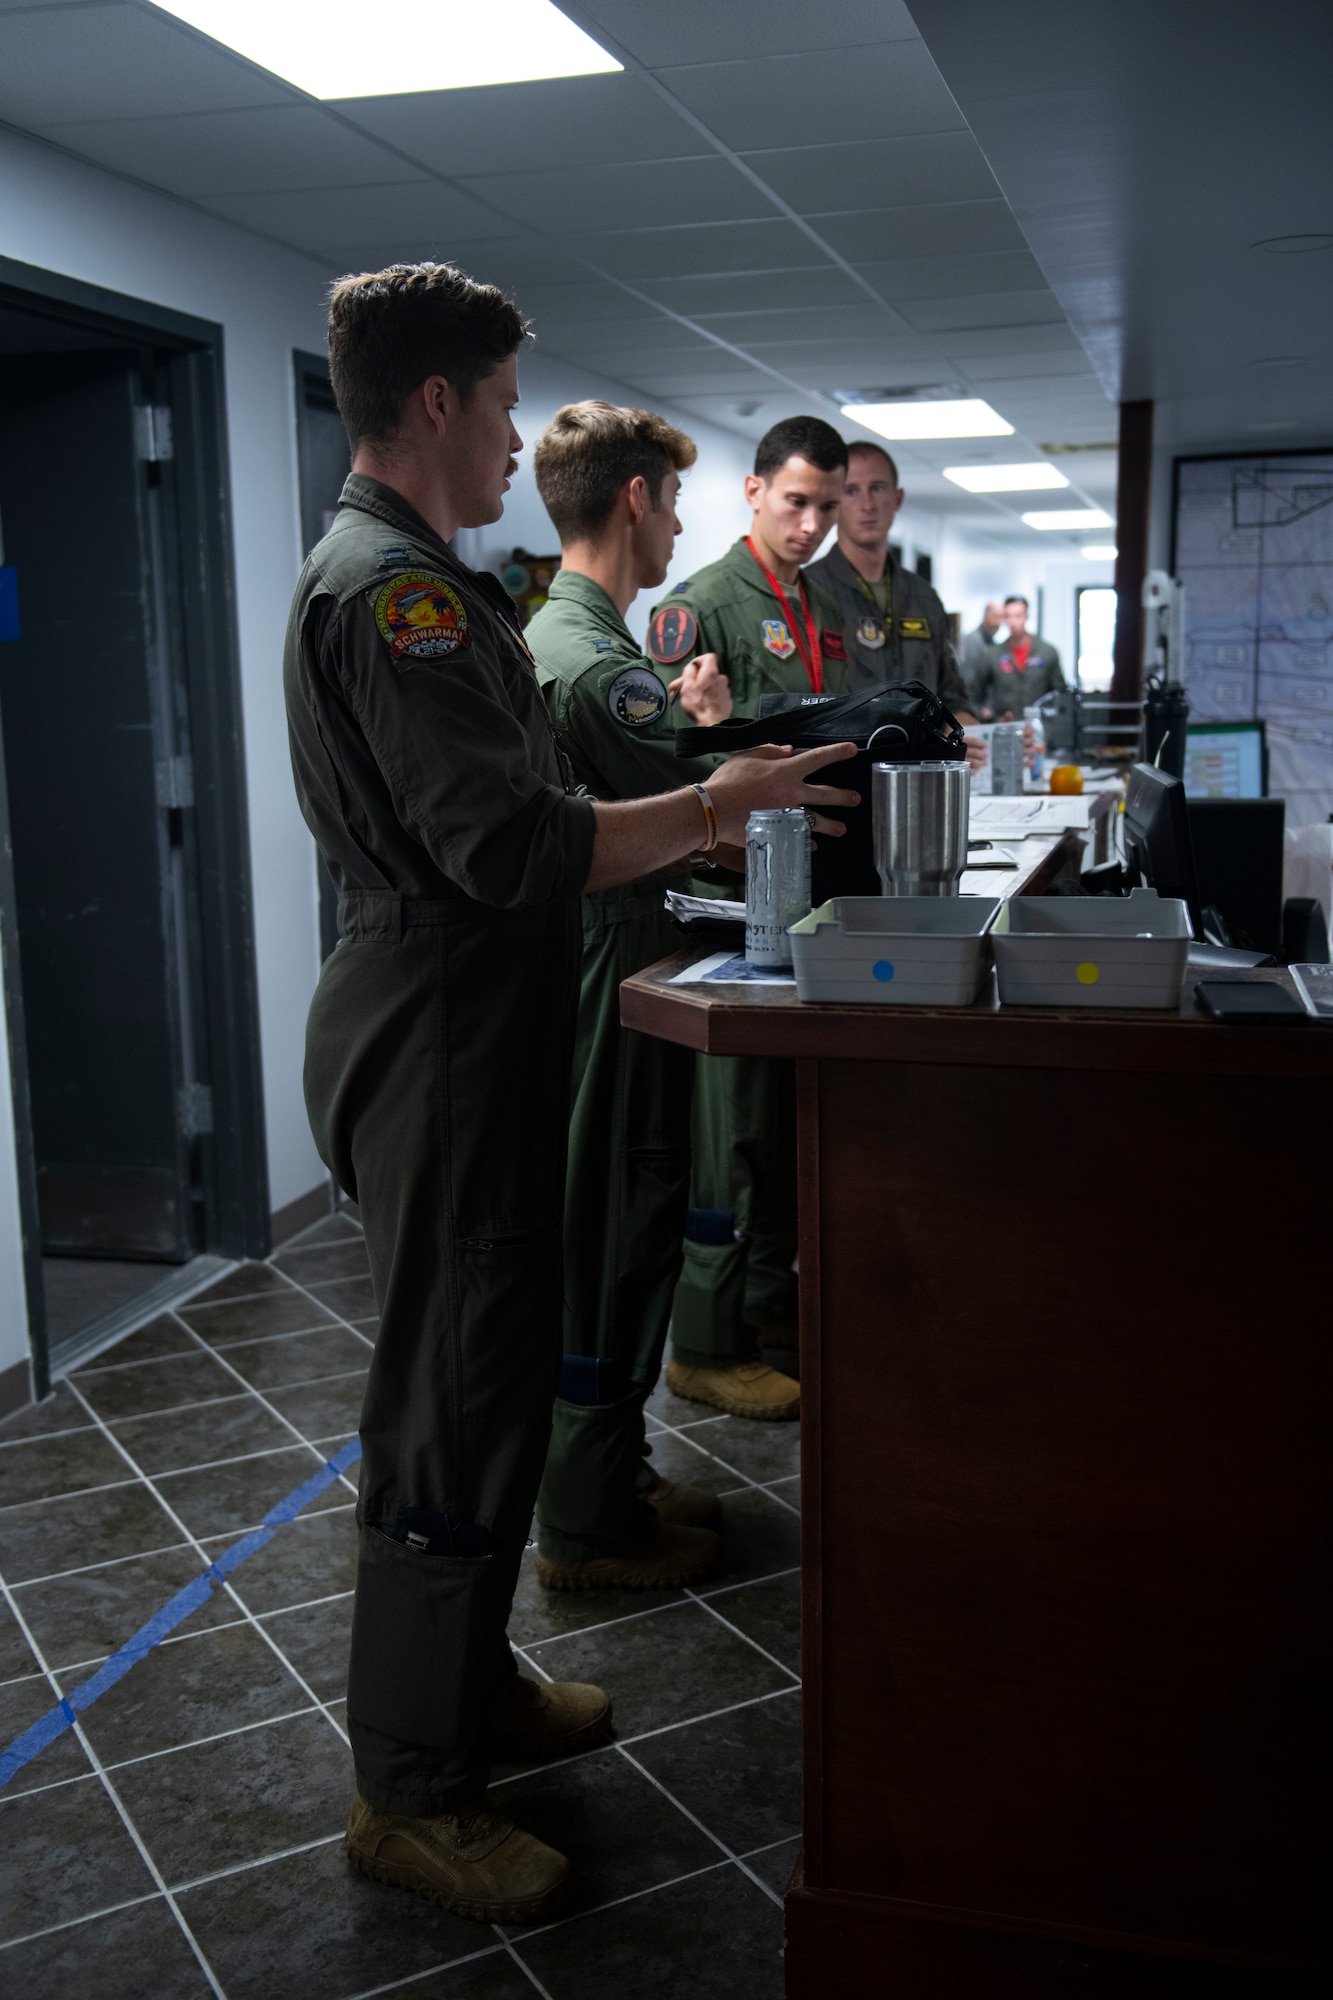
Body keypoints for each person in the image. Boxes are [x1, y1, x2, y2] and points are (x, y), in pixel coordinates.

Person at [283, 263, 858, 1925]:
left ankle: (465, 1696)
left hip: (476, 1020)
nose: (519, 433)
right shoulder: (383, 593)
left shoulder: (430, 582)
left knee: (498, 1361)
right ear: (441, 403)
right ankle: (411, 1788)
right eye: (506, 399)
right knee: (449, 1400)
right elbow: (509, 843)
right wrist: (706, 804)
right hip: (437, 1028)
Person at [524, 401, 747, 1592]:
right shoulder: (599, 665)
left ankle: (613, 1468)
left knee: (621, 1215)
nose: (678, 525)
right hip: (613, 961)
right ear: (634, 500)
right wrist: (718, 744)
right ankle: (587, 1518)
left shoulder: (570, 642)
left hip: (607, 951)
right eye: (673, 499)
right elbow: (706, 814)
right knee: (614, 1224)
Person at [646, 416, 853, 1423]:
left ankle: (771, 1308)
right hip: (728, 905)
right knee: (728, 1132)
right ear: (753, 491)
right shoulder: (700, 607)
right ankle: (706, 1338)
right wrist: (712, 729)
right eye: (795, 501)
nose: (811, 523)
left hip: (803, 897)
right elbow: (668, 774)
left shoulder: (815, 599)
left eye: (827, 505)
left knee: (777, 1120)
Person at [806, 439, 975, 715]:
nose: (867, 504)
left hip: (920, 757)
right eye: (851, 491)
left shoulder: (924, 596)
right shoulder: (807, 590)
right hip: (844, 756)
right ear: (833, 504)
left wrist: (972, 727)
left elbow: (953, 697)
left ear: (897, 498)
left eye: (877, 488)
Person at [969, 593, 1066, 718]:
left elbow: (1060, 695)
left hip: (1040, 727)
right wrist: (984, 714)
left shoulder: (1047, 652)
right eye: (1008, 616)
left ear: (1026, 616)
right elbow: (972, 694)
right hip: (1004, 726)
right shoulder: (992, 655)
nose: (1013, 622)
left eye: (1018, 616)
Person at [958, 597, 1008, 704]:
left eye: (1001, 617)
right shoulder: (971, 642)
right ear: (986, 616)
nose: (997, 622)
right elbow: (968, 681)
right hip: (973, 705)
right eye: (995, 616)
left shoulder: (993, 644)